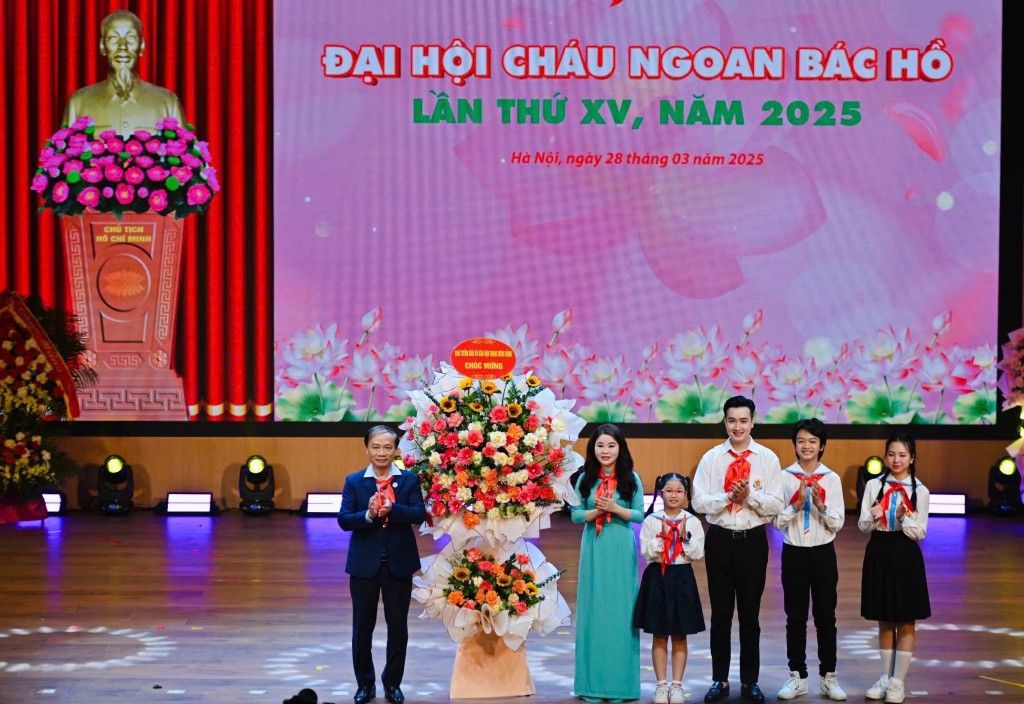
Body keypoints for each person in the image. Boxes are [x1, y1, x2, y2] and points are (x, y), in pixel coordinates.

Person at [692, 395, 783, 704]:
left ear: (753, 422)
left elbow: (776, 504)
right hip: (719, 540)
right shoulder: (712, 458)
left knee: (750, 616)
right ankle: (719, 679)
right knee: (720, 615)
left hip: (753, 541)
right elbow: (699, 502)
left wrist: (749, 497)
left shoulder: (767, 459)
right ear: (725, 422)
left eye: (744, 420)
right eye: (732, 420)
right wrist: (728, 498)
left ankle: (749, 681)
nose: (738, 426)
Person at [339, 425, 427, 704]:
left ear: (396, 450)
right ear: (366, 449)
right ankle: (365, 685)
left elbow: (419, 514)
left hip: (398, 564)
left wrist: (393, 510)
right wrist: (368, 515)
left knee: (398, 627)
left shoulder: (409, 480)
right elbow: (344, 520)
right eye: (376, 447)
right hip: (364, 565)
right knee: (362, 627)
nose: (381, 452)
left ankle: (392, 684)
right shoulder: (354, 481)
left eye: (387, 447)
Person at [772, 419, 847, 701]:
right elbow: (776, 522)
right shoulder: (783, 477)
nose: (807, 446)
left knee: (826, 617)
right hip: (794, 552)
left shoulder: (831, 478)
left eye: (813, 441)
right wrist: (795, 505)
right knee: (795, 617)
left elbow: (838, 523)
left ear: (822, 446)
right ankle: (797, 676)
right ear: (794, 445)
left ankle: (829, 677)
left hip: (823, 553)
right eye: (801, 441)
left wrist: (820, 506)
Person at [572, 423, 645, 702]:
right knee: (594, 609)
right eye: (600, 445)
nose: (605, 451)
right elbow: (575, 514)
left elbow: (639, 515)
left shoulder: (631, 478)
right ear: (593, 448)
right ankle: (591, 686)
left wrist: (614, 508)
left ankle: (620, 686)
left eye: (611, 446)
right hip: (594, 546)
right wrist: (595, 512)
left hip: (620, 546)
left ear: (620, 449)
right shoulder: (585, 479)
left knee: (621, 610)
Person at [858, 432, 931, 704]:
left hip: (906, 554)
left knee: (906, 619)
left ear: (912, 458)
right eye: (891, 454)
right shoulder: (873, 485)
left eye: (902, 455)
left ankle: (898, 682)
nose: (896, 460)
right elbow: (863, 525)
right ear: (885, 456)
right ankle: (886, 677)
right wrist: (874, 517)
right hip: (879, 551)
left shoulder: (920, 490)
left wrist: (904, 518)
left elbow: (920, 532)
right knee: (884, 618)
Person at [633, 473, 705, 704]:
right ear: (660, 492)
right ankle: (661, 685)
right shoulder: (651, 520)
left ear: (686, 494)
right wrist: (662, 538)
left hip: (682, 578)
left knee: (680, 634)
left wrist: (684, 538)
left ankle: (677, 686)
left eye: (679, 491)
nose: (674, 495)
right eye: (669, 490)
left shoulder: (692, 521)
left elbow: (697, 553)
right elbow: (646, 553)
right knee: (660, 634)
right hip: (657, 577)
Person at [64, 9, 185, 136]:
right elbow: (62, 147)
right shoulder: (78, 103)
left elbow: (185, 146)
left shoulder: (168, 103)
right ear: (102, 46)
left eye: (131, 38)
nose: (123, 46)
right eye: (113, 38)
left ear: (142, 46)